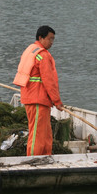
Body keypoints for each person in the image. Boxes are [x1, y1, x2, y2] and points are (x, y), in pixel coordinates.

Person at [13, 26, 64, 156]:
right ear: (41, 38)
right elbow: (49, 81)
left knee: (45, 133)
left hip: (32, 98)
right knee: (37, 134)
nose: (52, 42)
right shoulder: (42, 55)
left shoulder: (30, 50)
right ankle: (33, 160)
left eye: (53, 39)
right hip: (37, 100)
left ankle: (46, 157)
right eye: (50, 39)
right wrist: (57, 101)